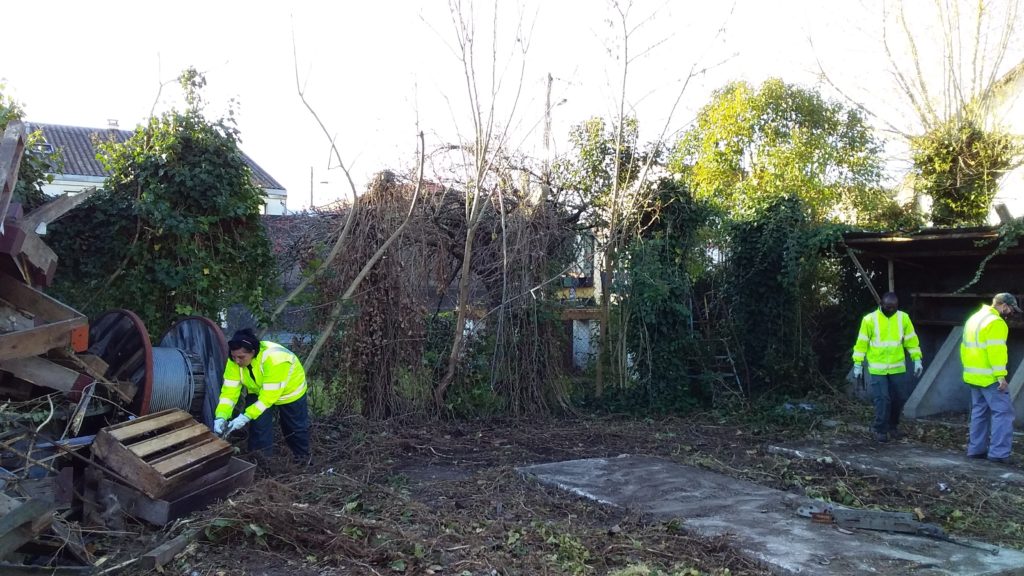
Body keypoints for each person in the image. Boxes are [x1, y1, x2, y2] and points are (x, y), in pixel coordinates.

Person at [213, 328, 311, 464]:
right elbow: (229, 393)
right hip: (259, 391)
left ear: (253, 352)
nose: (237, 361)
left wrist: (246, 416)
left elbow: (268, 397)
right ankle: (261, 463)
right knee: (258, 428)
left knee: (294, 428)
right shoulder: (234, 361)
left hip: (289, 392)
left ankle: (303, 461)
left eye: (241, 357)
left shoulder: (276, 359)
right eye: (234, 357)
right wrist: (221, 416)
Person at [852, 292, 924, 443]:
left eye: (894, 307)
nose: (891, 310)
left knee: (899, 398)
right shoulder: (869, 320)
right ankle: (880, 429)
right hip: (878, 368)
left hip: (897, 367)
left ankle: (893, 427)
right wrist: (857, 364)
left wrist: (917, 359)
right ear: (881, 305)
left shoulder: (903, 318)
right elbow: (861, 343)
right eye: (888, 307)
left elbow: (911, 340)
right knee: (882, 399)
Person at [962, 293, 1020, 463]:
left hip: (973, 375)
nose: (1010, 313)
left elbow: (964, 348)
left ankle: (976, 450)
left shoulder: (974, 318)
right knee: (1003, 413)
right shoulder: (996, 323)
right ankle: (999, 454)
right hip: (989, 378)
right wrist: (1000, 376)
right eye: (1010, 309)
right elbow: (996, 351)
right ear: (1003, 306)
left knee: (979, 412)